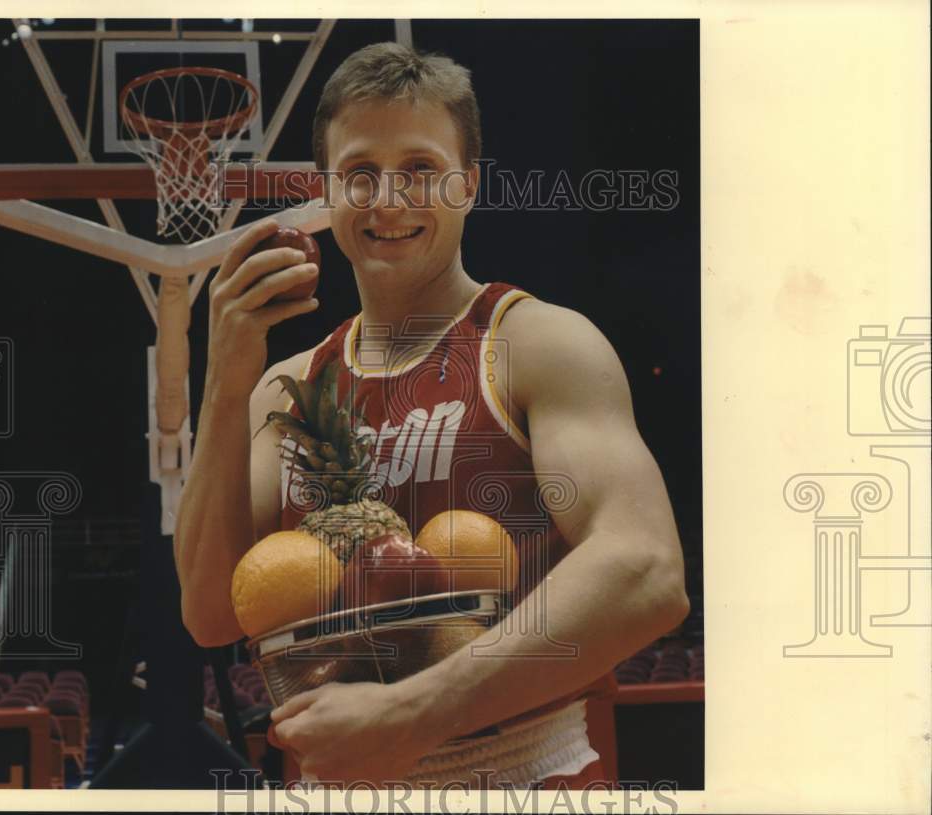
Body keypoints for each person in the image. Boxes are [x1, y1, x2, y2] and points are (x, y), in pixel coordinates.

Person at [175, 42, 689, 789]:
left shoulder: (538, 343)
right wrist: (225, 378)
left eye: (420, 169)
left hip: (520, 772)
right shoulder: (284, 388)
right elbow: (209, 613)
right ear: (325, 192)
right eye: (359, 173)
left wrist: (414, 714)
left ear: (469, 184)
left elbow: (645, 569)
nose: (388, 199)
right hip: (331, 780)